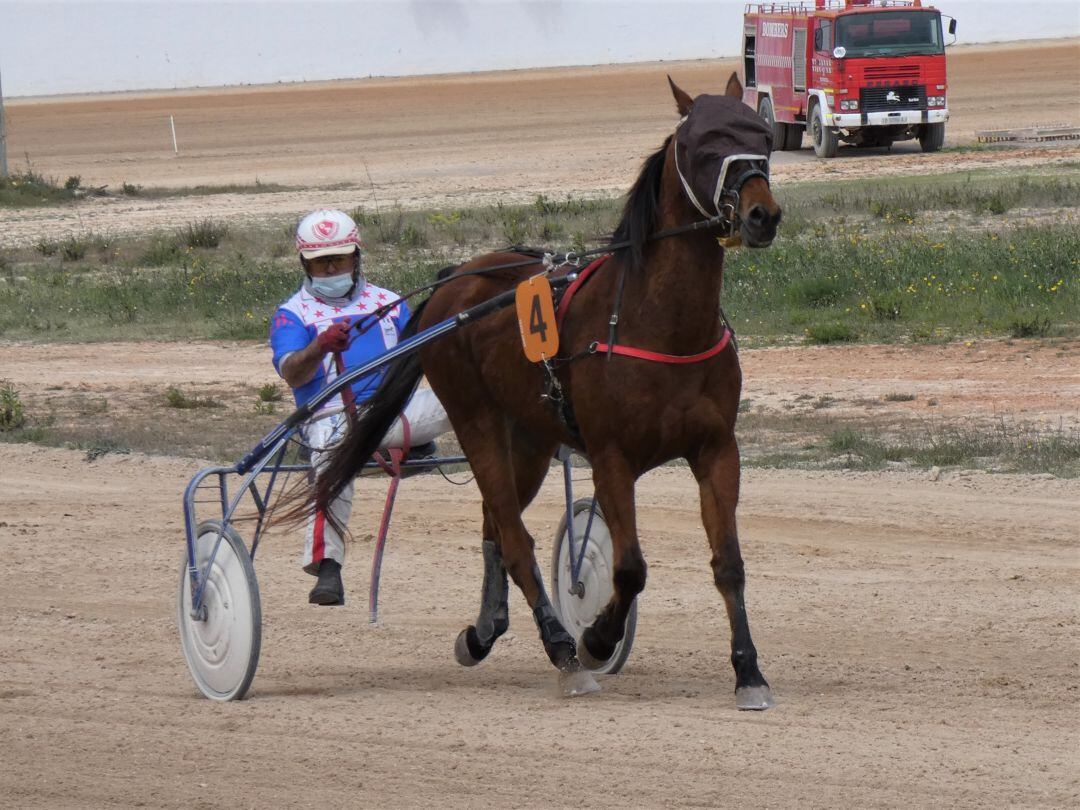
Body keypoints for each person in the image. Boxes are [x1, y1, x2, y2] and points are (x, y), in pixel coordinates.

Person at [269, 209, 449, 606]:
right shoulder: (292, 314)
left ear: (356, 256)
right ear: (305, 263)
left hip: (396, 413)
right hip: (332, 419)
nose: (332, 267)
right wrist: (319, 347)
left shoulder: (389, 303)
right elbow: (293, 374)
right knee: (332, 453)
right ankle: (328, 567)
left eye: (340, 257)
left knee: (468, 394)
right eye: (321, 261)